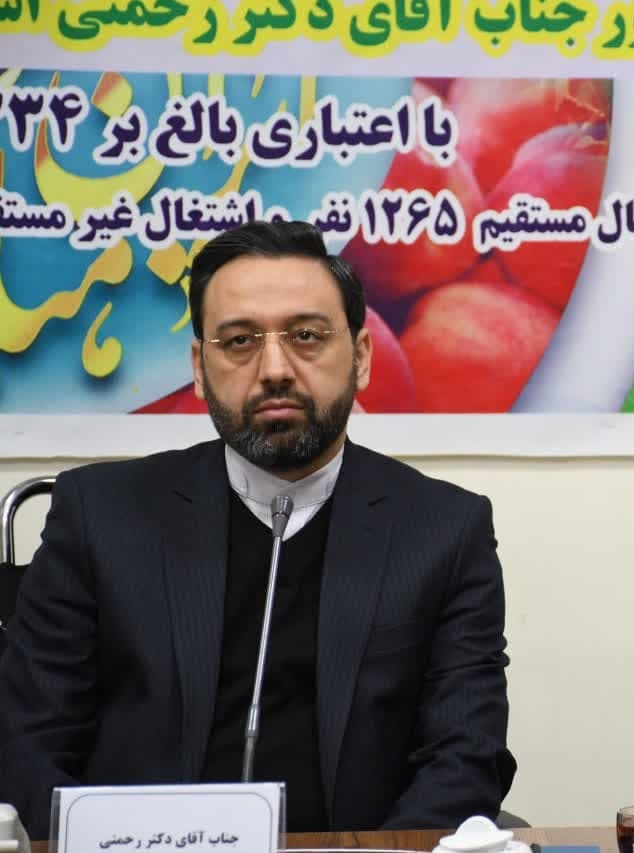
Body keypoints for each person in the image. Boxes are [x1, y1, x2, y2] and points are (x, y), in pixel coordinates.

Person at [0, 221, 516, 838]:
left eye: (306, 336)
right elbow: (26, 740)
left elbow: (465, 758)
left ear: (361, 357)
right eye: (240, 341)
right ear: (199, 368)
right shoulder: (99, 515)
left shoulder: (444, 531)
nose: (274, 369)